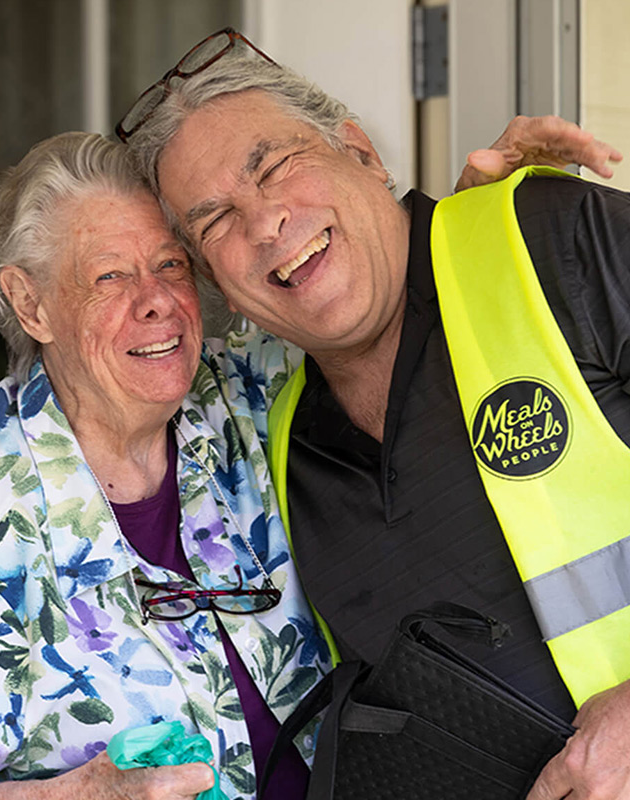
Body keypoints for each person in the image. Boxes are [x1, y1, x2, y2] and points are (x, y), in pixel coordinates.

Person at [121, 29, 630, 800]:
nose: (263, 224)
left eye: (276, 166)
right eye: (215, 220)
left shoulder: (547, 241)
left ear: (361, 153)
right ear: (218, 289)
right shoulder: (285, 449)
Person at [0, 131, 332, 800]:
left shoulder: (244, 392)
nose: (157, 300)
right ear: (30, 303)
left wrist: (458, 231)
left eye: (170, 264)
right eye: (110, 276)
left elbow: (383, 326)